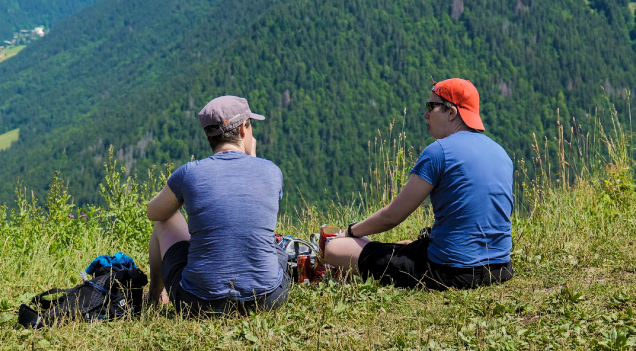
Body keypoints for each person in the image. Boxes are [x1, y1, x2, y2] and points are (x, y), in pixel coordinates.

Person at [323, 78, 514, 290]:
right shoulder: (501, 153)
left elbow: (391, 217)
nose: (425, 114)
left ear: (452, 112)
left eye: (431, 106)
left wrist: (350, 232)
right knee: (405, 246)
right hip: (500, 268)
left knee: (335, 248)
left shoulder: (439, 151)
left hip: (448, 272)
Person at [146, 95, 288, 315]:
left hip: (199, 303)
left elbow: (153, 212)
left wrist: (185, 196)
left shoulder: (189, 173)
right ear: (243, 129)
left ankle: (155, 295)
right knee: (276, 248)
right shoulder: (271, 171)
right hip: (268, 298)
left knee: (167, 218)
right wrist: (254, 158)